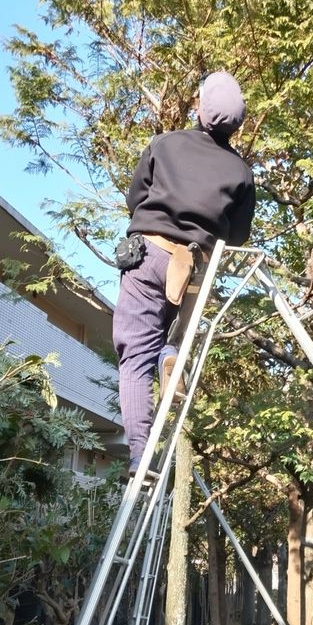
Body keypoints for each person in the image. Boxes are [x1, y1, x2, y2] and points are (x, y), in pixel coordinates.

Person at [112, 71, 256, 473]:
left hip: (149, 254)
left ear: (200, 105)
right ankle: (172, 353)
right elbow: (240, 235)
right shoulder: (241, 172)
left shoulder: (165, 143)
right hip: (197, 268)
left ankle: (141, 454)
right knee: (173, 334)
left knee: (135, 354)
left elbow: (135, 198)